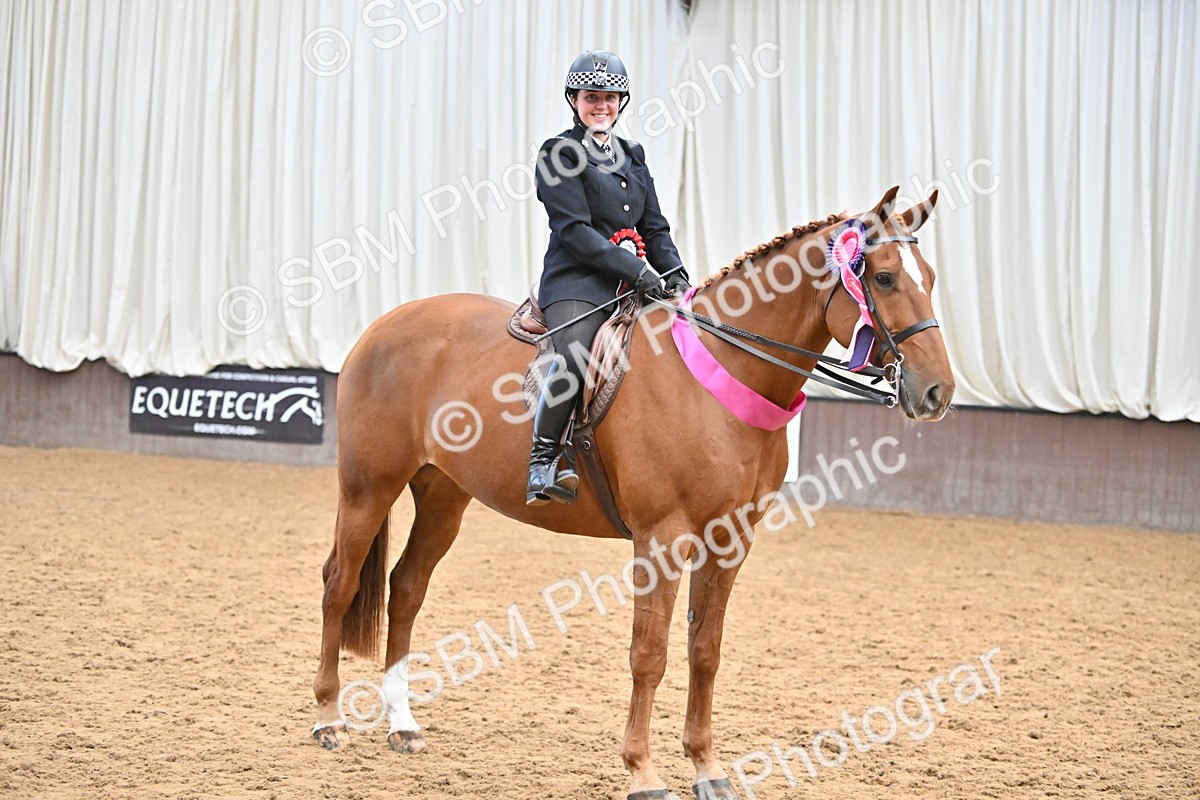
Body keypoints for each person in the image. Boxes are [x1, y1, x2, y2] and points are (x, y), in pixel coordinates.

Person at [527, 49, 690, 506]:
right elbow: (575, 232)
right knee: (577, 356)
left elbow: (654, 228)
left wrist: (677, 277)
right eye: (591, 96)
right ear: (574, 100)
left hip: (631, 283)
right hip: (576, 283)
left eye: (610, 97)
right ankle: (542, 462)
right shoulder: (558, 152)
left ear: (622, 102)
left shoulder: (632, 155)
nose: (602, 105)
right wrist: (639, 272)